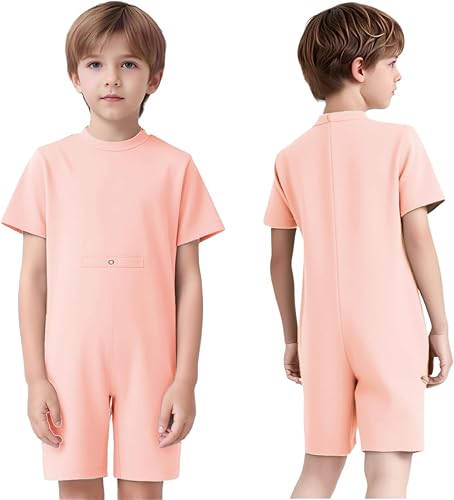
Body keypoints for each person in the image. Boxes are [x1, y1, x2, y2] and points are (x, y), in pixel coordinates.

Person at [1, 1, 224, 499]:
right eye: (95, 64)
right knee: (77, 488)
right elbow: (32, 278)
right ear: (74, 77)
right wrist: (35, 378)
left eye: (128, 63)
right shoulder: (49, 164)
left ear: (154, 79)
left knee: (143, 490)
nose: (112, 78)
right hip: (69, 360)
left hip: (151, 361)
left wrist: (185, 379)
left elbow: (188, 281)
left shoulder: (176, 167)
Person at [263, 2, 452, 498]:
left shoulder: (289, 157)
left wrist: (292, 339)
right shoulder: (400, 142)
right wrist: (439, 326)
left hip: (321, 330)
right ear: (360, 68)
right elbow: (418, 240)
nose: (399, 75)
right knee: (388, 467)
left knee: (319, 468)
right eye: (392, 63)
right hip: (389, 323)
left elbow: (279, 261)